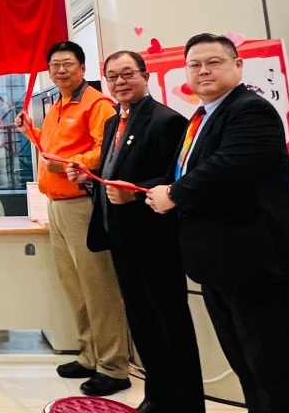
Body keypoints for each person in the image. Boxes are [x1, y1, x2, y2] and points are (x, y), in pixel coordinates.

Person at [146, 34, 289, 413]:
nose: (203, 71)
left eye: (213, 62)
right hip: (220, 266)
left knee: (271, 374)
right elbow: (185, 172)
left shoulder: (250, 110)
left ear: (238, 65)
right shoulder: (202, 117)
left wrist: (174, 194)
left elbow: (229, 167)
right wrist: (150, 188)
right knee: (248, 370)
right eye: (194, 64)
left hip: (257, 267)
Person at [67, 50, 203, 413]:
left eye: (127, 74)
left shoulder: (166, 121)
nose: (120, 82)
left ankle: (184, 403)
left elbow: (177, 180)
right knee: (143, 325)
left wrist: (135, 192)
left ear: (145, 76)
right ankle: (157, 397)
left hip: (155, 241)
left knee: (169, 324)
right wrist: (88, 178)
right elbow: (113, 174)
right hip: (122, 240)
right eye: (112, 76)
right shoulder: (115, 121)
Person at [19, 40, 131, 396]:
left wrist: (73, 163)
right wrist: (31, 132)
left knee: (98, 287)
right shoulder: (57, 106)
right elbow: (51, 151)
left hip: (82, 205)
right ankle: (88, 356)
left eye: (67, 63)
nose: (61, 70)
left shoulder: (97, 104)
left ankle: (113, 366)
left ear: (83, 68)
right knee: (75, 287)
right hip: (56, 204)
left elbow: (107, 149)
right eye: (55, 65)